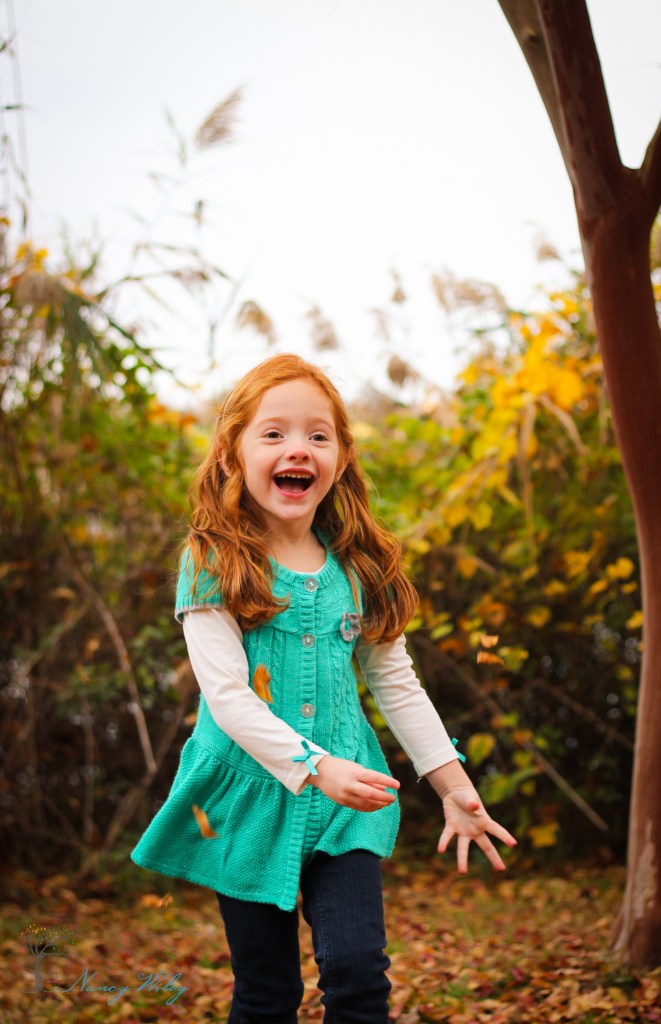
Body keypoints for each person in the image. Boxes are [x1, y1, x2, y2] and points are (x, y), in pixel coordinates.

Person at [131, 353, 516, 1023]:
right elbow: (226, 697)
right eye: (273, 433)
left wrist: (455, 788)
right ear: (232, 454)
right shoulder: (213, 560)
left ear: (339, 456)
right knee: (266, 993)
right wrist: (312, 765)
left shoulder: (360, 565)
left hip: (348, 801)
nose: (297, 449)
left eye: (318, 434)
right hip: (246, 799)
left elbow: (396, 684)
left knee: (357, 971)